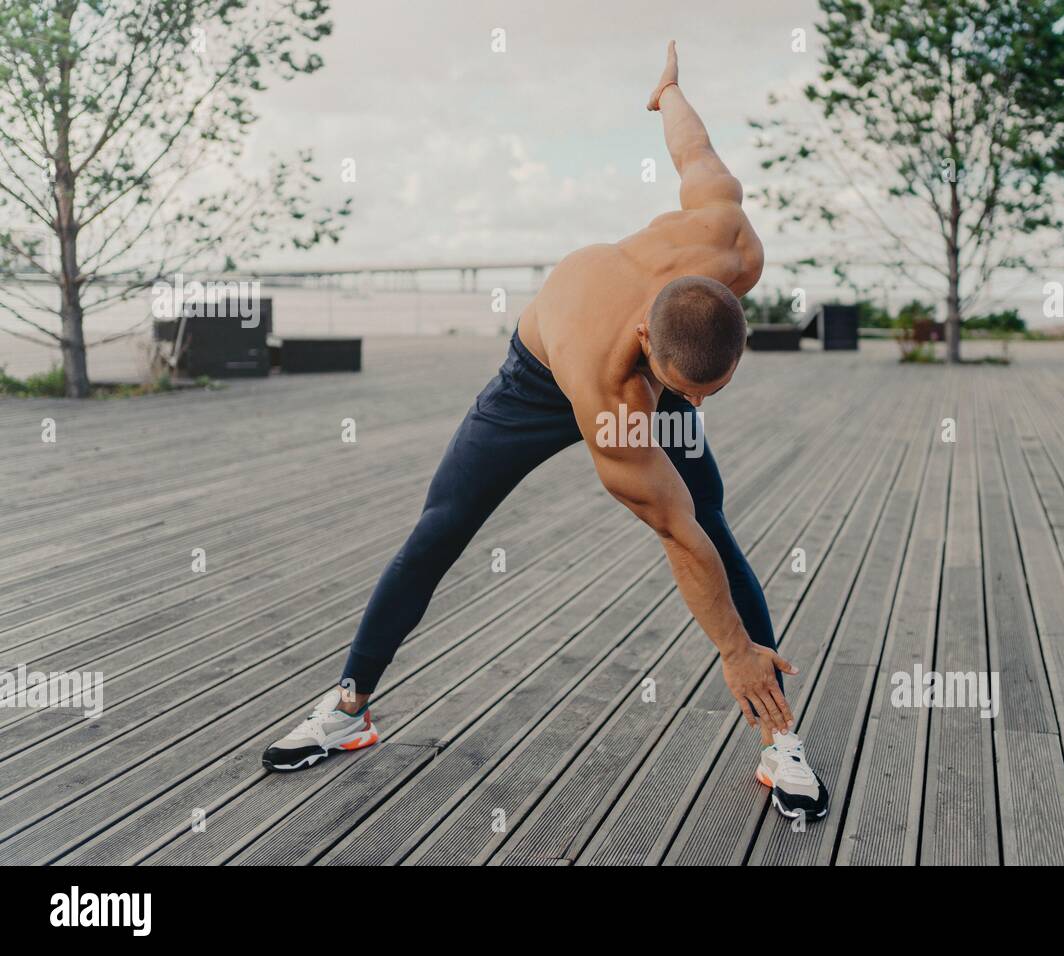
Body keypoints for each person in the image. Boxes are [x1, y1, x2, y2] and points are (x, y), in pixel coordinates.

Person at [263, 42, 828, 822]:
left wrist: (666, 94)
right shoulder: (615, 397)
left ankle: (780, 742)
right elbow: (674, 534)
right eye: (678, 390)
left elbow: (694, 153)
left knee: (720, 524)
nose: (690, 404)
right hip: (536, 380)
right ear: (643, 341)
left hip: (628, 362)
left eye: (707, 393)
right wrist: (733, 652)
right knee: (440, 529)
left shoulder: (728, 237)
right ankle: (350, 705)